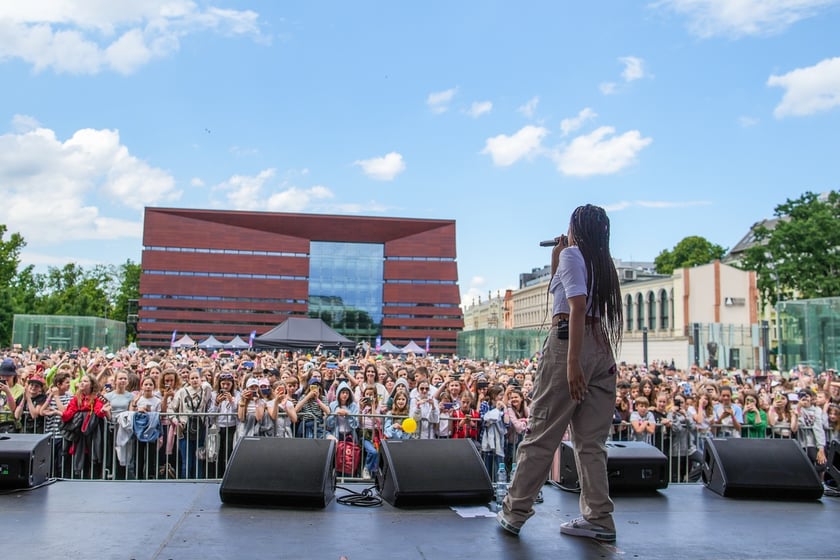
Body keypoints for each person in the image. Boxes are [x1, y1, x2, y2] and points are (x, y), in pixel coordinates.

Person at [498, 204, 623, 543]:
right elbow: (560, 294)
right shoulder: (602, 262)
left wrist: (572, 364)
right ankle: (599, 518)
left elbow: (574, 307)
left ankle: (515, 511)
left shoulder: (573, 255)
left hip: (570, 341)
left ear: (575, 226)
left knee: (542, 432)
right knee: (590, 444)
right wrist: (558, 256)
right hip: (601, 349)